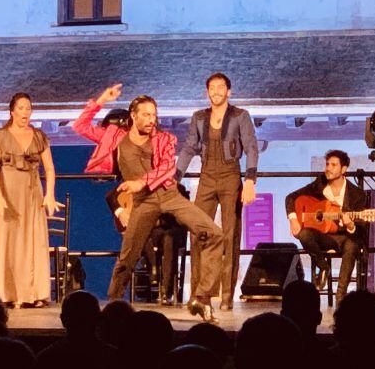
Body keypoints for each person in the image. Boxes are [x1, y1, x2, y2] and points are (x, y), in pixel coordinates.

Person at [72, 83, 225, 322]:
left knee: (215, 234)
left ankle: (201, 298)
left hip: (169, 196)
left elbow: (167, 167)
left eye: (154, 114)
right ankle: (113, 305)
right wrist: (102, 99)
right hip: (143, 202)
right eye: (146, 114)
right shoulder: (115, 137)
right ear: (133, 116)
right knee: (128, 256)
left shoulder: (164, 139)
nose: (151, 119)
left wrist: (140, 182)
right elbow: (79, 126)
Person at [176, 72, 259, 312]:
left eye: (221, 87)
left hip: (231, 175)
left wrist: (250, 180)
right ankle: (200, 294)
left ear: (229, 91)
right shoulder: (199, 117)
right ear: (207, 92)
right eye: (212, 87)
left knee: (230, 235)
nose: (216, 91)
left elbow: (252, 147)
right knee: (198, 230)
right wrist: (175, 177)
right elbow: (190, 147)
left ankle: (226, 295)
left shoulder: (240, 116)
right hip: (206, 176)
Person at [0, 93, 62, 307]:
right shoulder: (0, 136)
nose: (25, 112)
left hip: (31, 192)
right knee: (7, 241)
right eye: (21, 108)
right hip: (7, 192)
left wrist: (49, 194)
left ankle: (32, 294)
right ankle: (4, 293)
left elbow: (50, 168)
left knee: (31, 241)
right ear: (12, 111)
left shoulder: (39, 136)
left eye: (28, 108)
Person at [285, 150, 368, 296]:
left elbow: (361, 231)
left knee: (352, 245)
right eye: (327, 164)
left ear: (343, 169)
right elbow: (291, 198)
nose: (328, 168)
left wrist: (350, 225)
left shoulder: (357, 194)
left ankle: (341, 295)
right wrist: (293, 219)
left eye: (333, 165)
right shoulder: (320, 184)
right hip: (323, 236)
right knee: (304, 234)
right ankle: (323, 267)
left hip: (344, 238)